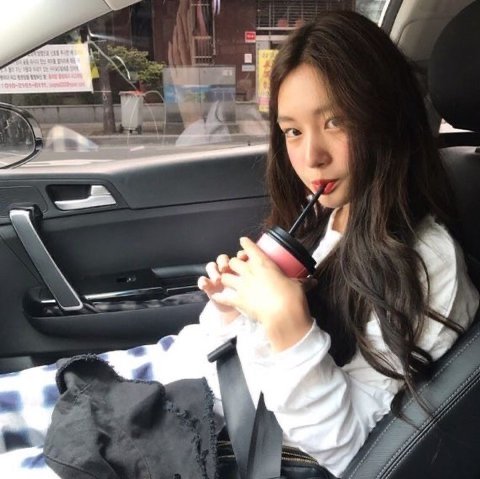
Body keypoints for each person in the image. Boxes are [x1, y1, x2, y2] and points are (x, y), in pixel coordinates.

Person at [0, 10, 478, 478]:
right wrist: (231, 310)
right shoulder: (329, 217)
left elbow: (357, 453)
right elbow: (227, 349)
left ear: (387, 118)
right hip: (192, 382)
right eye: (293, 131)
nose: (312, 155)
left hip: (235, 440)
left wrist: (287, 322)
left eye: (337, 122)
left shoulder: (426, 263)